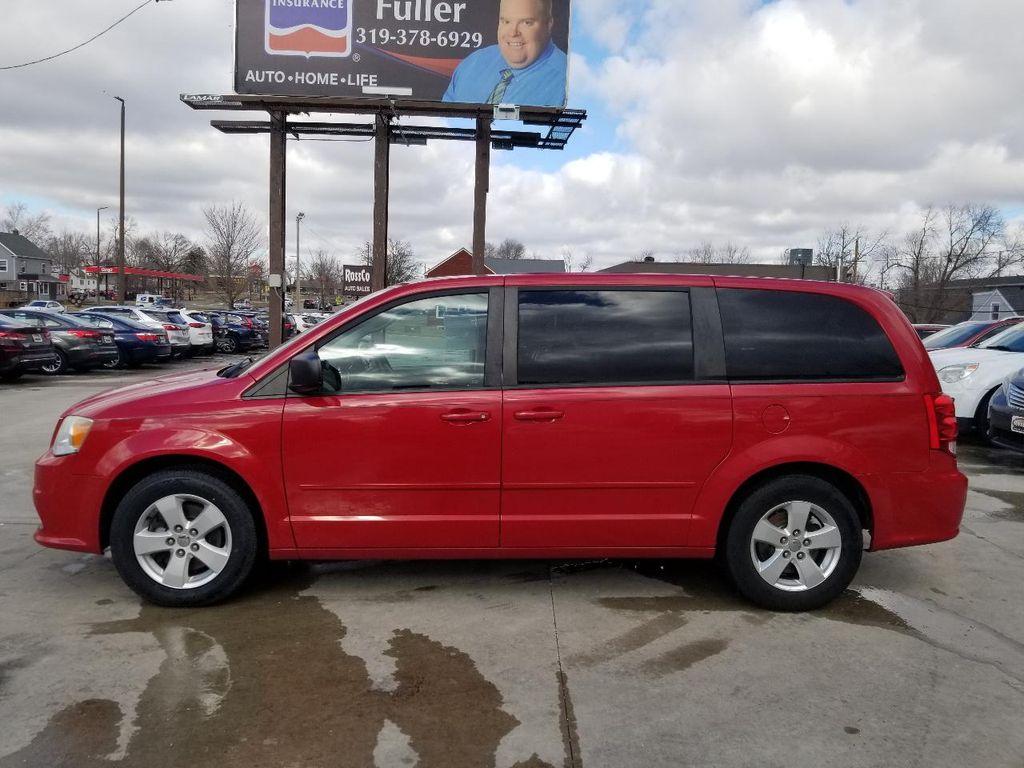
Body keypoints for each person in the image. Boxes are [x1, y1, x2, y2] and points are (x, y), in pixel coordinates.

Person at [443, 0, 567, 107]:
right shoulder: (473, 64)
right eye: (506, 21)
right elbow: (444, 123)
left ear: (548, 25)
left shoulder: (568, 82)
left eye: (527, 22)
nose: (513, 33)